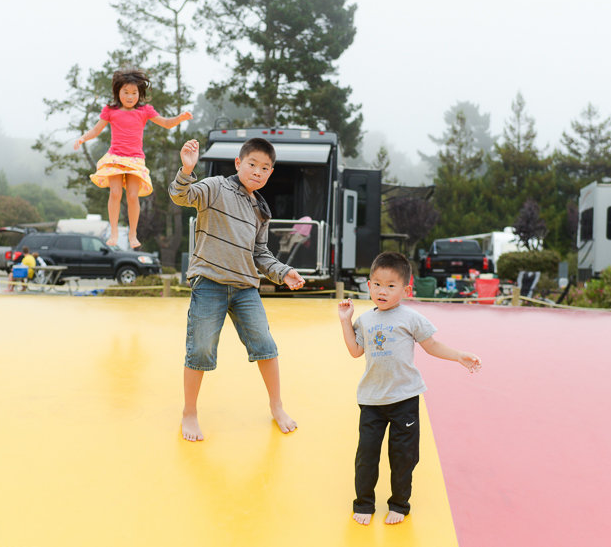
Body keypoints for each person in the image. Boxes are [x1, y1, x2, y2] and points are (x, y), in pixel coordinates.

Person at [169, 137, 306, 442]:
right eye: (252, 164)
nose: (257, 172)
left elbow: (261, 253)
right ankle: (189, 412)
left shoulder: (261, 209)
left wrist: (284, 272)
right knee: (200, 349)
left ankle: (277, 406)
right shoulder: (216, 186)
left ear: (270, 173)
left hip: (245, 288)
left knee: (265, 345)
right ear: (238, 164)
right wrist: (187, 169)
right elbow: (182, 195)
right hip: (210, 283)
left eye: (265, 168)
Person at [337, 252, 482, 526]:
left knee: (403, 456)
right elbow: (355, 351)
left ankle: (399, 504)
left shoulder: (411, 317)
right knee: (366, 455)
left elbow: (432, 345)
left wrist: (459, 355)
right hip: (371, 400)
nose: (382, 291)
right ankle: (364, 503)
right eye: (377, 284)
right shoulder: (365, 321)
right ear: (368, 286)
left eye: (391, 286)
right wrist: (346, 320)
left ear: (406, 290)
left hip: (405, 398)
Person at [74, 68, 192, 249]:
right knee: (115, 193)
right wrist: (83, 138)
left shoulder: (144, 110)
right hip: (114, 157)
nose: (130, 96)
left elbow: (167, 123)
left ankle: (132, 233)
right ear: (118, 92)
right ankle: (114, 231)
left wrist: (180, 118)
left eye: (134, 93)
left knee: (132, 195)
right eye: (125, 92)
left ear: (140, 93)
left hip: (135, 159)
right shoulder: (110, 110)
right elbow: (96, 130)